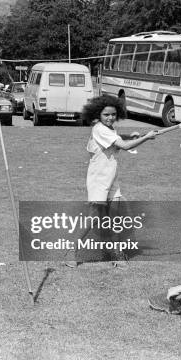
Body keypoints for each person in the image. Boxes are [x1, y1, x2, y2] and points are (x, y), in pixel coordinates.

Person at [66, 96, 156, 268]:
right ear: (98, 115)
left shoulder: (109, 129)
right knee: (93, 218)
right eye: (106, 115)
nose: (110, 118)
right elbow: (125, 146)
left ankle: (115, 254)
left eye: (113, 114)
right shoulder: (99, 129)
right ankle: (71, 250)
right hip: (98, 181)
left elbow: (116, 138)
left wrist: (130, 135)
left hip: (111, 179)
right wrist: (146, 137)